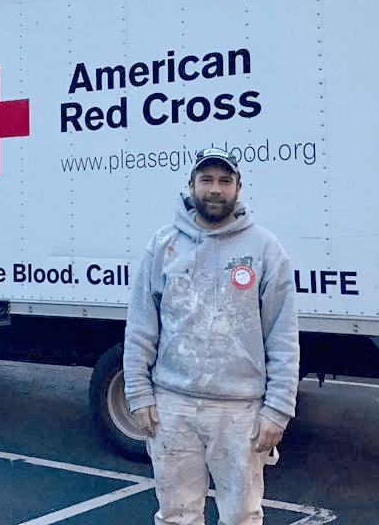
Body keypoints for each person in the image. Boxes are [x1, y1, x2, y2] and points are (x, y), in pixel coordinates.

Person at [123, 147, 300, 525]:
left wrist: (278, 410)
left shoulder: (266, 250)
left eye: (224, 181)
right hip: (172, 406)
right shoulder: (164, 245)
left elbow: (282, 336)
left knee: (241, 516)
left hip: (240, 412)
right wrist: (138, 394)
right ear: (191, 186)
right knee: (176, 515)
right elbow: (141, 325)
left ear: (239, 187)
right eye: (206, 180)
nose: (215, 189)